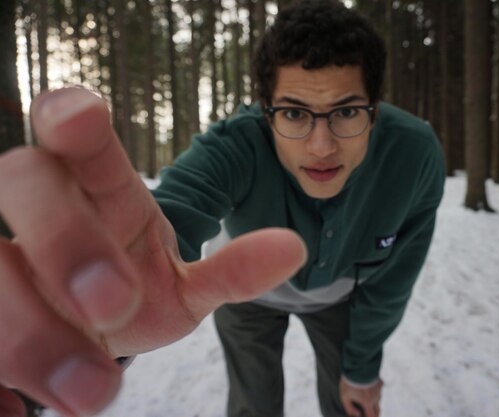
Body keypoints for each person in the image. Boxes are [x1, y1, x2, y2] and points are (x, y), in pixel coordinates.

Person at [0, 1, 444, 416]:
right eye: (294, 114)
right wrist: (83, 316)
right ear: (265, 111)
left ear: (377, 107)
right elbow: (170, 214)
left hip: (341, 301)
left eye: (346, 113)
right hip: (246, 295)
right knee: (254, 403)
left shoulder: (415, 155)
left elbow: (393, 280)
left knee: (348, 403)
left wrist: (363, 369)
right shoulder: (234, 145)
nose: (321, 145)